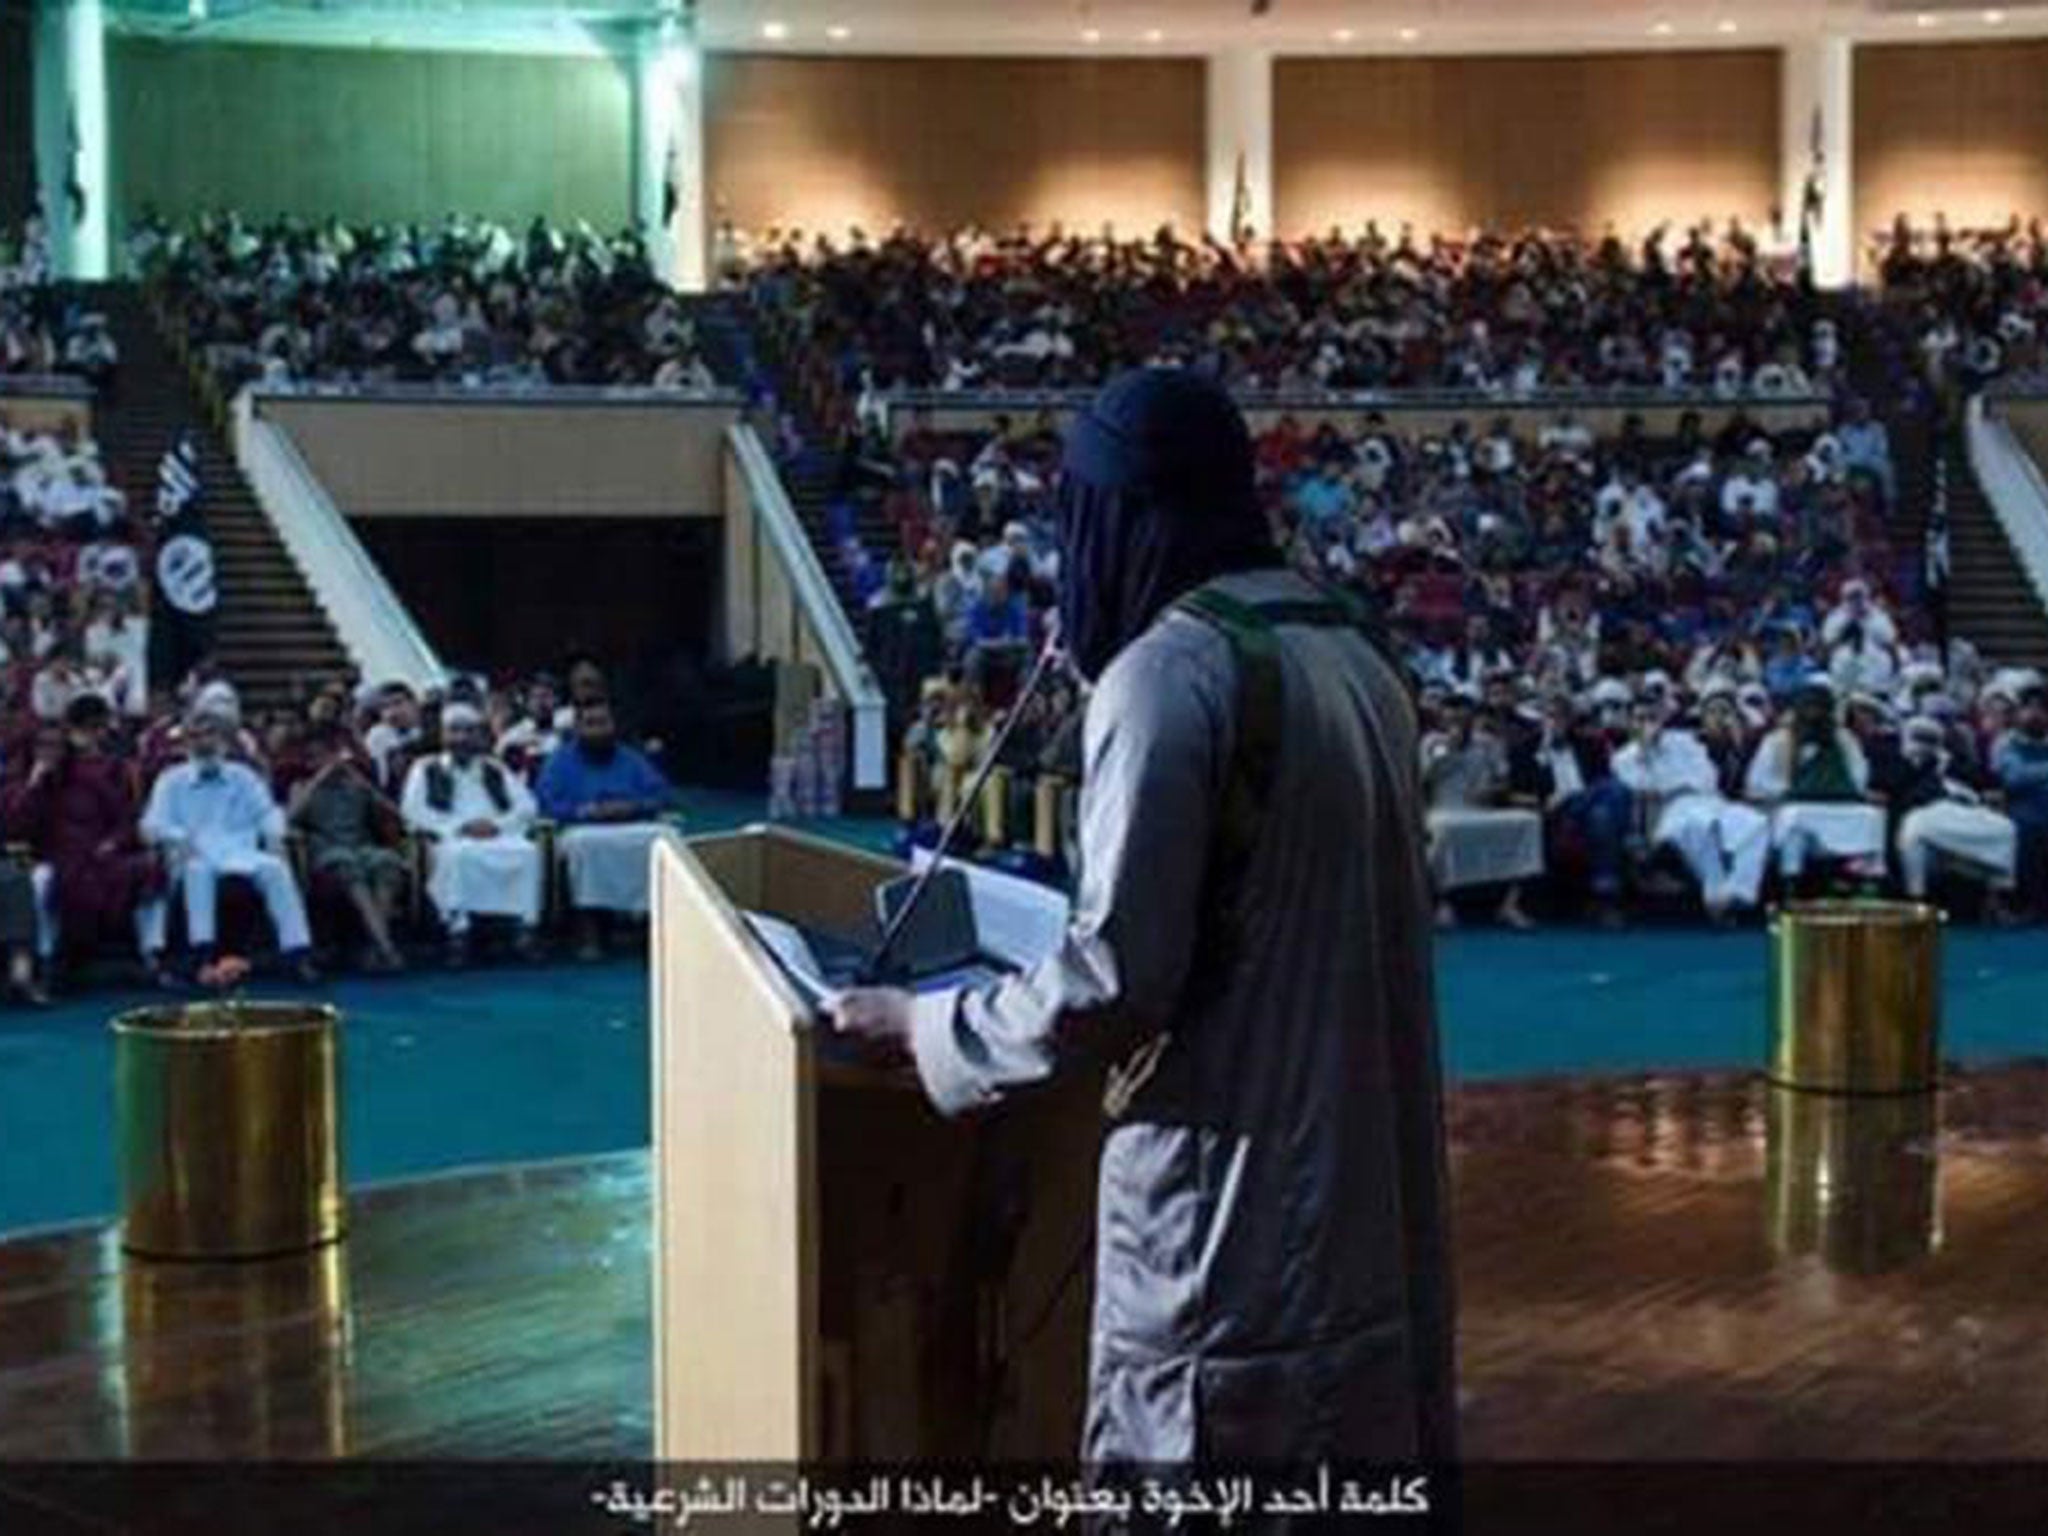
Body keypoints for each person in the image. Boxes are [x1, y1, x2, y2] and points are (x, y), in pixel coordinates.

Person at [830, 368, 1456, 1466]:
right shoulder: (1354, 645)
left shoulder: (1169, 675)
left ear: (1109, 519)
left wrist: (925, 1027)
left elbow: (1114, 979)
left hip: (1230, 1210)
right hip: (1368, 1195)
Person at [141, 709, 318, 981]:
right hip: (193, 852)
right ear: (186, 743)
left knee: (276, 868)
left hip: (241, 851)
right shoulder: (171, 780)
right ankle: (203, 954)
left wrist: (275, 834)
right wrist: (178, 837)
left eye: (210, 734)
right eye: (197, 736)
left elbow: (268, 811)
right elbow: (153, 823)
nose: (205, 742)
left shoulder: (243, 776)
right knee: (197, 871)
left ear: (224, 740)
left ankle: (297, 952)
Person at [5, 697, 168, 982]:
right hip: (51, 853)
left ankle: (152, 955)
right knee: (42, 881)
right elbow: (18, 827)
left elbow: (124, 819)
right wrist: (34, 783)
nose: (49, 753)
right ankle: (46, 959)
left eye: (54, 746)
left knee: (151, 869)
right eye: (43, 747)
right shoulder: (31, 779)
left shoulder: (104, 773)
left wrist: (114, 843)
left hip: (99, 851)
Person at [400, 701, 542, 965]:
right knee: (459, 856)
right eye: (454, 731)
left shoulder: (493, 768)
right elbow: (413, 811)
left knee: (526, 852)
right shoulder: (425, 768)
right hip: (451, 837)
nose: (461, 738)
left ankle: (523, 930)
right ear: (443, 735)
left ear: (479, 735)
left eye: (468, 731)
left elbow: (527, 806)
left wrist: (497, 826)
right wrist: (459, 828)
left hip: (496, 834)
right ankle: (459, 932)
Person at [534, 698, 677, 959]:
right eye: (591, 724)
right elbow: (547, 804)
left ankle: (650, 921)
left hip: (632, 822)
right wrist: (585, 811)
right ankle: (589, 927)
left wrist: (633, 806)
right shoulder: (559, 762)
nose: (599, 730)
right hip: (584, 827)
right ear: (577, 728)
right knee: (584, 845)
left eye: (604, 723)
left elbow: (662, 794)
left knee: (664, 837)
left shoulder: (630, 757)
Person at [1611, 694, 1770, 920]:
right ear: (1630, 723)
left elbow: (1708, 777)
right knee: (1700, 826)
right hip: (1668, 814)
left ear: (1662, 719)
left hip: (1709, 802)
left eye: (1652, 717)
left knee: (1756, 823)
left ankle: (1739, 891)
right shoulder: (1623, 758)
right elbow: (1642, 788)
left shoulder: (1685, 741)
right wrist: (1646, 753)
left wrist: (1675, 784)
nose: (1647, 724)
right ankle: (1716, 895)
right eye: (1640, 719)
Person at [1744, 673, 1886, 885]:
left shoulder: (1843, 739)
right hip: (1792, 807)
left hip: (1839, 808)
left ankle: (1865, 880)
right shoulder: (1777, 741)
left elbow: (1858, 777)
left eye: (1820, 708)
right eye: (1809, 707)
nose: (1814, 714)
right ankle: (1792, 883)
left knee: (1871, 816)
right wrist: (1786, 791)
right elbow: (1758, 782)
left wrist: (1839, 790)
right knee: (1794, 820)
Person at [287, 722, 408, 970]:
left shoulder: (355, 785)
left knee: (386, 863)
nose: (330, 763)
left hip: (361, 845)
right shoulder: (302, 786)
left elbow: (395, 814)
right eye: (321, 759)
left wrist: (362, 782)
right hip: (326, 849)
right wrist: (321, 778)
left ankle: (376, 947)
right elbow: (291, 817)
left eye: (331, 756)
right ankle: (386, 947)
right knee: (349, 868)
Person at [1422, 692, 1541, 928]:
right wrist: (1447, 751)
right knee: (1444, 831)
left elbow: (1503, 780)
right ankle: (1445, 903)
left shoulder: (1489, 743)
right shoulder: (1431, 742)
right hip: (1443, 809)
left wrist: (1492, 790)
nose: (1457, 724)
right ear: (1443, 720)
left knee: (1529, 821)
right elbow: (1423, 780)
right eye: (1451, 719)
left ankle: (1510, 904)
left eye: (1463, 718)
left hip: (1481, 808)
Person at [1889, 716, 2018, 906]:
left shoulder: (1957, 763)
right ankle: (1917, 898)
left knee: (2006, 828)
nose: (1923, 743)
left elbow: (1989, 786)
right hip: (1925, 812)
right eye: (1919, 737)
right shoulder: (1899, 763)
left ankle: (1999, 899)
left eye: (1929, 738)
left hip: (1965, 812)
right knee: (1914, 830)